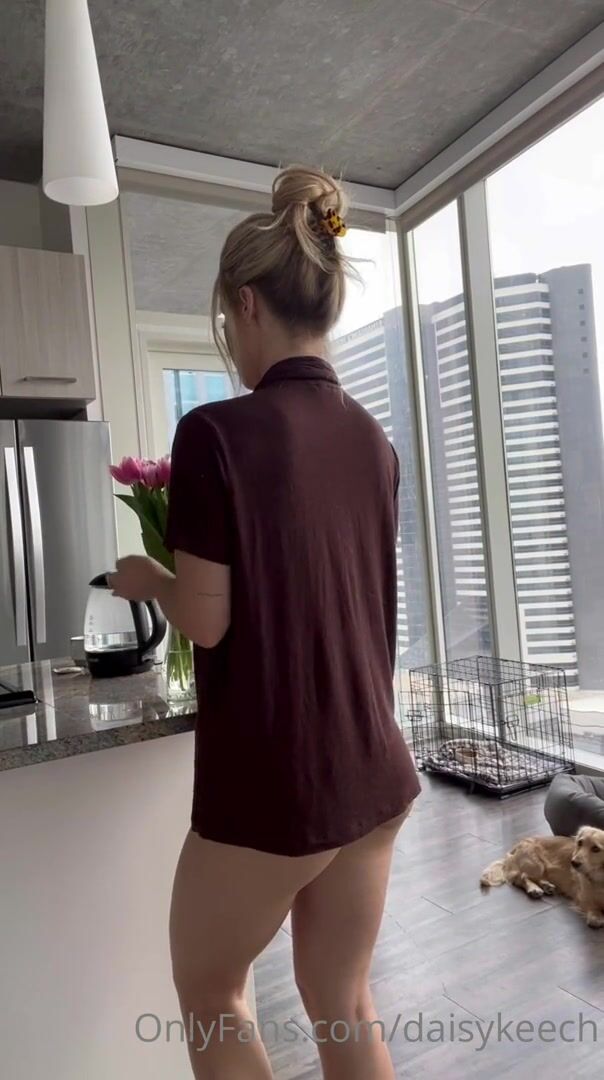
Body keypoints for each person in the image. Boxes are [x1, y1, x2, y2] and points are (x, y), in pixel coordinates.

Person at [109, 165, 421, 1080]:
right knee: (344, 1000)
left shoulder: (215, 432)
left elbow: (206, 622)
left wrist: (149, 579)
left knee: (212, 993)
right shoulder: (374, 440)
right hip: (373, 768)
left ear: (246, 304)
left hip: (278, 781)